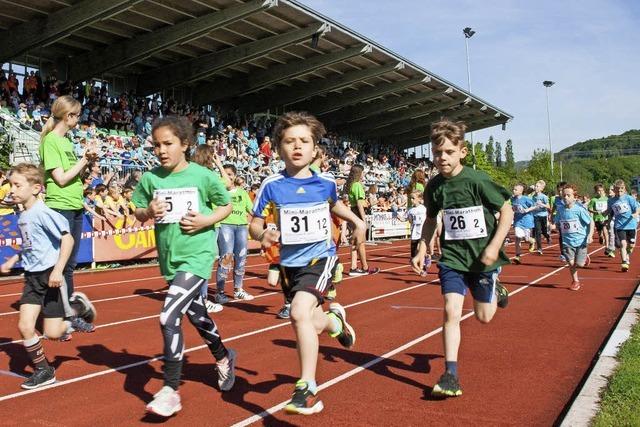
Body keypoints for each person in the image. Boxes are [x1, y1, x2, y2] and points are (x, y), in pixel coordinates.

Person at [249, 111, 365, 415]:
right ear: (279, 148)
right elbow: (254, 224)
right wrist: (264, 234)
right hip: (289, 264)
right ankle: (334, 322)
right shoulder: (271, 185)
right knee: (309, 321)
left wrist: (356, 221)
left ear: (315, 149)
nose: (297, 146)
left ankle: (308, 388)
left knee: (299, 312)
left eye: (304, 141)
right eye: (290, 141)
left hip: (320, 257)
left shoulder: (325, 181)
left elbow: (335, 204)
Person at [132, 116, 236, 417]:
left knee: (168, 317)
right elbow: (138, 211)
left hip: (198, 254)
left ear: (185, 144)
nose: (162, 151)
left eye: (168, 144)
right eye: (157, 145)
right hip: (170, 258)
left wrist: (205, 220)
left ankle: (170, 389)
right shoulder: (151, 178)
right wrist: (148, 210)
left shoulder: (203, 176)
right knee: (198, 315)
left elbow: (225, 204)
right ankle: (223, 356)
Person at [411, 119, 511, 398]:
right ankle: (450, 374)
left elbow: (506, 211)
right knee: (450, 311)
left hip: (481, 260)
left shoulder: (478, 181)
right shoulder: (434, 187)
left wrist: (494, 247)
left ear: (462, 152)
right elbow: (431, 220)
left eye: (448, 152)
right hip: (452, 259)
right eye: (437, 153)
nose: (442, 158)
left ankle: (497, 287)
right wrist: (421, 247)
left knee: (484, 317)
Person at [1, 164, 96, 389]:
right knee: (25, 326)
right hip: (32, 278)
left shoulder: (44, 213)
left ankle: (77, 310)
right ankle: (44, 370)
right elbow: (30, 243)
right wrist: (15, 259)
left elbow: (68, 240)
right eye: (10, 185)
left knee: (53, 333)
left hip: (50, 276)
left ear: (35, 188)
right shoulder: (23, 215)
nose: (12, 189)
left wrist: (57, 269)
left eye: (17, 185)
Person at [39, 95, 97, 335]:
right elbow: (61, 178)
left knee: (69, 266)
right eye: (77, 114)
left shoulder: (68, 142)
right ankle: (55, 318)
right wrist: (84, 159)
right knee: (57, 265)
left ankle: (68, 316)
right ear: (67, 115)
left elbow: (73, 178)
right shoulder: (51, 140)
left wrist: (88, 163)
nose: (79, 118)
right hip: (60, 206)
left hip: (74, 205)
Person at [214, 164, 255, 304]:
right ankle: (220, 292)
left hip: (242, 227)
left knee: (241, 258)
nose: (227, 177)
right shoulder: (219, 192)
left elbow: (252, 210)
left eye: (230, 174)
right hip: (225, 226)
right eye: (224, 174)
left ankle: (238, 290)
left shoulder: (243, 193)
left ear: (235, 176)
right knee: (226, 258)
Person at [554, 184, 593, 290]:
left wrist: (590, 235)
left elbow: (590, 222)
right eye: (563, 195)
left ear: (575, 197)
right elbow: (556, 223)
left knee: (579, 264)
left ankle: (583, 259)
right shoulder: (561, 210)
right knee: (571, 263)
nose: (565, 197)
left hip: (581, 241)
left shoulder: (579, 210)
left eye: (568, 195)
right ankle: (575, 281)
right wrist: (553, 226)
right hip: (567, 241)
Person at [344, 164, 379, 276]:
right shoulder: (358, 185)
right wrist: (363, 219)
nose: (364, 174)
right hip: (358, 213)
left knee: (355, 242)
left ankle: (354, 267)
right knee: (361, 242)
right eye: (363, 172)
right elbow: (359, 204)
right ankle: (365, 267)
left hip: (352, 213)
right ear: (359, 173)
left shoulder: (350, 185)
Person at [608, 179, 639, 272]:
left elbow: (637, 208)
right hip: (620, 226)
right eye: (617, 190)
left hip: (631, 225)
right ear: (614, 190)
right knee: (622, 244)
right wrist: (605, 214)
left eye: (621, 190)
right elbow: (610, 211)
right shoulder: (611, 200)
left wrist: (636, 214)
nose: (619, 192)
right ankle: (624, 262)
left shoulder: (629, 198)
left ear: (624, 189)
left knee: (631, 245)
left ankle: (628, 252)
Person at [399, 190, 428, 273]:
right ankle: (423, 261)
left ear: (419, 199)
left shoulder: (424, 209)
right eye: (410, 198)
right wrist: (399, 218)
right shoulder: (410, 210)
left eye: (413, 198)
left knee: (420, 250)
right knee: (413, 255)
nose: (411, 200)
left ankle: (422, 267)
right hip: (414, 234)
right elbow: (406, 219)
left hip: (422, 233)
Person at [511, 183, 536, 264]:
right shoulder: (513, 199)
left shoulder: (526, 199)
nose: (513, 191)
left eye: (515, 190)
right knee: (518, 237)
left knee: (526, 239)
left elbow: (535, 206)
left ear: (521, 191)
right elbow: (513, 207)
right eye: (513, 189)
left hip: (527, 221)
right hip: (518, 221)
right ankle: (517, 256)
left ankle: (532, 241)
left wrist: (527, 210)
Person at [588, 183, 611, 255]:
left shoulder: (607, 199)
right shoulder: (593, 200)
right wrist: (595, 211)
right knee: (600, 232)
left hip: (605, 218)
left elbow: (610, 207)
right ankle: (600, 236)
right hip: (597, 218)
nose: (600, 192)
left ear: (603, 191)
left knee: (605, 231)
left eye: (601, 190)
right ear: (596, 191)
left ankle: (607, 247)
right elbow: (589, 209)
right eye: (598, 191)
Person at [531, 180, 551, 254]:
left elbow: (548, 206)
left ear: (541, 189)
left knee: (544, 231)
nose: (535, 187)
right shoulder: (533, 197)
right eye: (535, 186)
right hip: (536, 216)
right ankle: (539, 248)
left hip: (543, 215)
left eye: (537, 186)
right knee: (538, 232)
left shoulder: (544, 196)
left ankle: (548, 236)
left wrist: (542, 204)